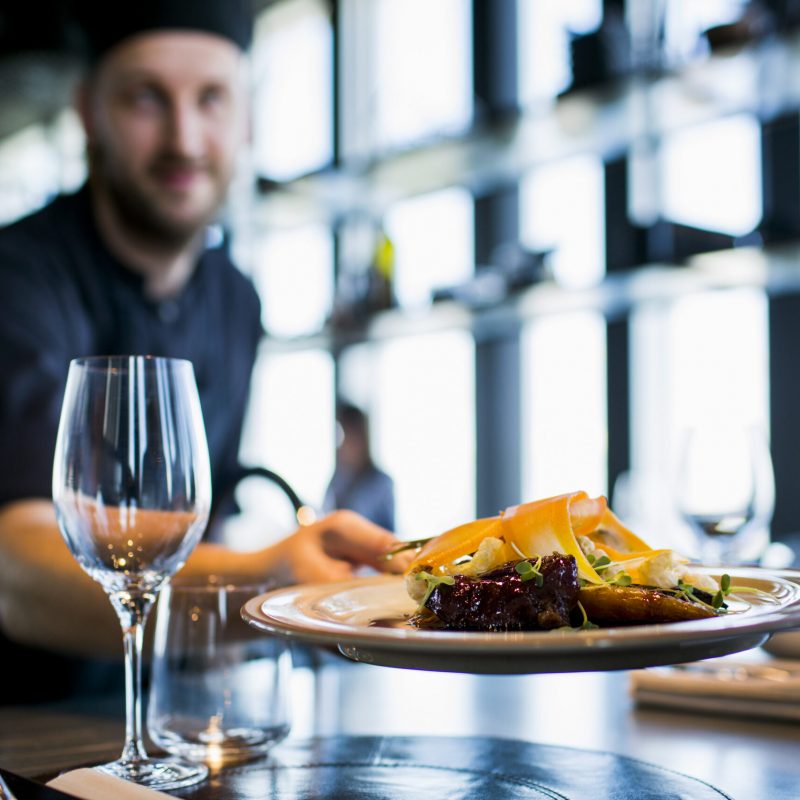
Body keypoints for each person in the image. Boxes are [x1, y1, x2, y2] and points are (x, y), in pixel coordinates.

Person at [0, 0, 403, 701]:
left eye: (211, 99)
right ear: (89, 111)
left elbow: (196, 527)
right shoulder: (18, 277)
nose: (184, 138)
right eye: (146, 99)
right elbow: (16, 574)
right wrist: (266, 580)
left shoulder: (235, 300)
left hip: (155, 719)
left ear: (247, 117)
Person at [323, 402, 395, 531]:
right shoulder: (338, 479)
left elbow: (389, 534)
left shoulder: (381, 483)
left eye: (346, 436)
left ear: (361, 437)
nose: (341, 445)